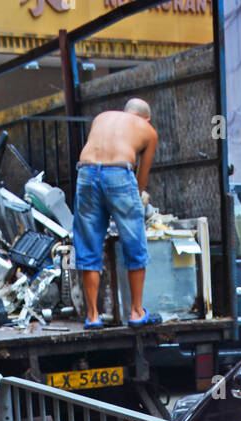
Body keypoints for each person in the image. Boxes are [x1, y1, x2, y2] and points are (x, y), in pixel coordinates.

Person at [73, 98, 158, 327]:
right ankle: (136, 312)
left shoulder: (102, 118)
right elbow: (142, 176)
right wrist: (136, 198)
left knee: (89, 244)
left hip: (86, 172)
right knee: (134, 242)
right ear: (146, 118)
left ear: (125, 112)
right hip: (119, 172)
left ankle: (92, 316)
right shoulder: (148, 130)